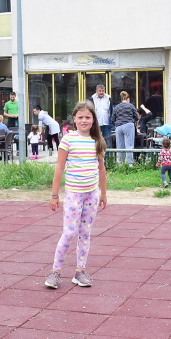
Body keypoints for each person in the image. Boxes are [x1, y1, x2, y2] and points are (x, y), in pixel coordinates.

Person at [44, 101, 107, 290]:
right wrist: (55, 195)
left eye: (88, 117)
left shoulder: (97, 141)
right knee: (70, 232)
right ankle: (55, 271)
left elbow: (101, 169)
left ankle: (80, 271)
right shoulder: (68, 139)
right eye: (80, 117)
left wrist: (103, 193)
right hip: (74, 194)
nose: (84, 120)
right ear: (74, 119)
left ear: (93, 119)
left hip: (92, 194)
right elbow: (60, 168)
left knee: (85, 232)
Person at [111, 91, 140, 165]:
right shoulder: (130, 106)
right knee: (129, 145)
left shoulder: (117, 107)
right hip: (128, 125)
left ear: (121, 99)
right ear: (128, 99)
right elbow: (136, 117)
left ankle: (120, 163)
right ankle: (129, 164)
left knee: (120, 146)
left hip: (119, 127)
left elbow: (112, 118)